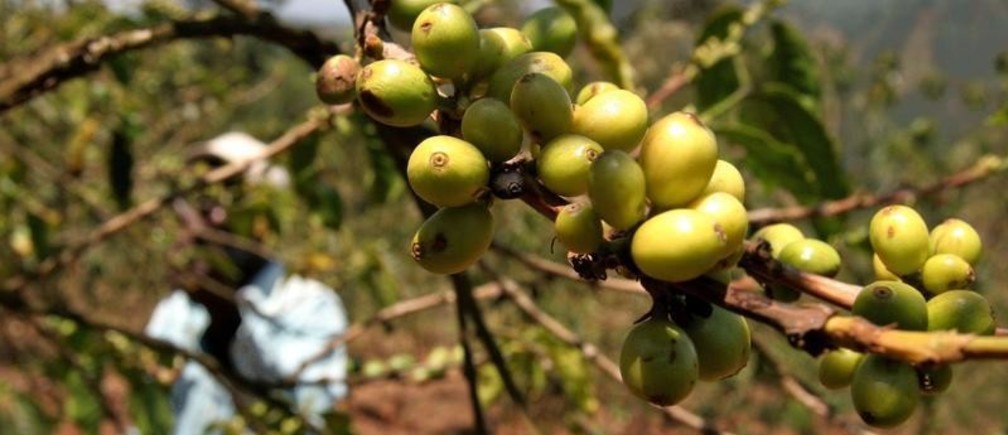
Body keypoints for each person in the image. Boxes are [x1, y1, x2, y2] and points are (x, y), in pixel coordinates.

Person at [144, 132, 349, 433]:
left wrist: (224, 313)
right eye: (201, 195)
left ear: (264, 220)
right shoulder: (174, 312)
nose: (208, 214)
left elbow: (310, 415)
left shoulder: (306, 303)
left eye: (231, 193)